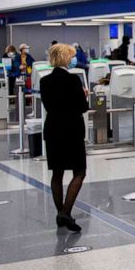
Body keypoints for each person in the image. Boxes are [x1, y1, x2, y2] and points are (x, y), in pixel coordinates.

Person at [40, 44, 90, 232]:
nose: (73, 59)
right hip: (72, 130)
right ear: (65, 58)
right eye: (71, 56)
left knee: (57, 172)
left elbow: (49, 105)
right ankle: (66, 212)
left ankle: (60, 213)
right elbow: (82, 107)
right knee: (79, 171)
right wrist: (83, 95)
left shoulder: (44, 81)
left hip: (53, 129)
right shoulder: (73, 80)